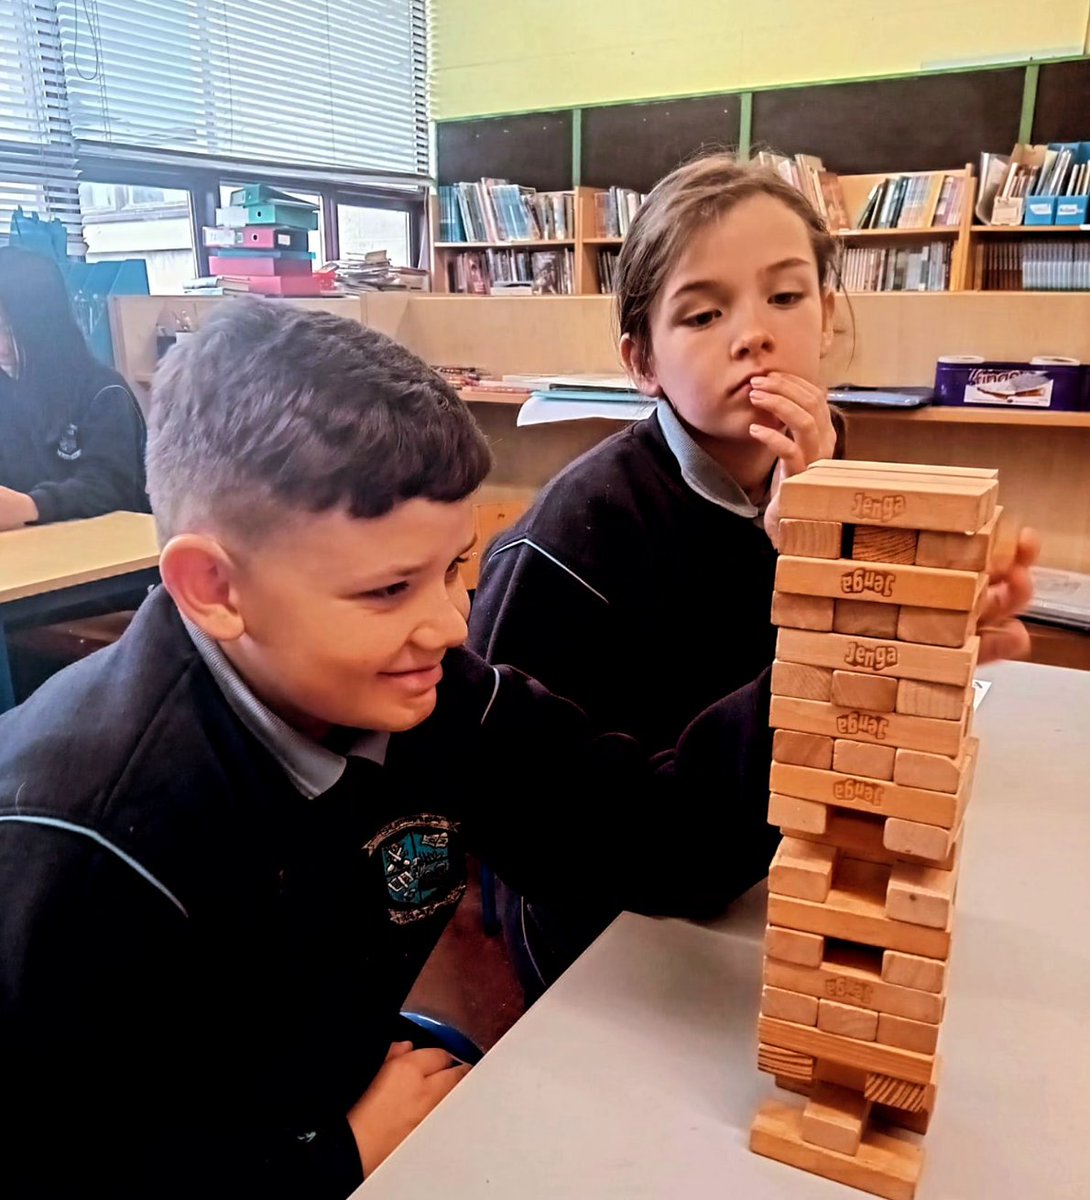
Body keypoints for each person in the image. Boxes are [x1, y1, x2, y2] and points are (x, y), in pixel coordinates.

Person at [0, 299, 784, 1200]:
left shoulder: (423, 695)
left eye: (455, 568)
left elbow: (652, 839)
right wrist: (337, 1153)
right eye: (388, 589)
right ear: (214, 588)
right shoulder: (80, 848)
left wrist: (847, 668)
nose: (451, 626)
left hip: (324, 1080)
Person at [467, 154, 1035, 1000]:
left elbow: (847, 726)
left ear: (829, 315)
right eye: (702, 314)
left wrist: (910, 640)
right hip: (613, 913)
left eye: (786, 296)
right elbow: (564, 829)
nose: (754, 335)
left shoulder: (834, 476)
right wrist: (833, 624)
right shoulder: (573, 537)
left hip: (767, 858)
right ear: (642, 361)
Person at [0, 246, 148, 531]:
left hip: (103, 556)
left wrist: (31, 506)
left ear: (43, 328)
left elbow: (111, 488)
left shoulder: (102, 392)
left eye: (8, 330)